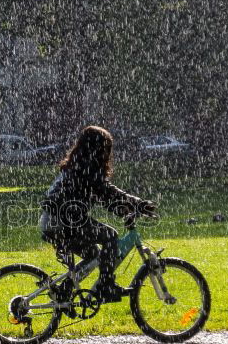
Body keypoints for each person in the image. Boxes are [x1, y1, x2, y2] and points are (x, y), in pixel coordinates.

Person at [39, 125, 157, 303]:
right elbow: (107, 190)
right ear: (96, 148)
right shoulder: (86, 169)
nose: (107, 154)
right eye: (106, 148)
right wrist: (138, 203)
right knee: (110, 235)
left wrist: (124, 209)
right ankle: (105, 286)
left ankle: (64, 291)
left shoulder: (79, 166)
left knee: (94, 255)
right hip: (62, 221)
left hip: (53, 221)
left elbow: (103, 197)